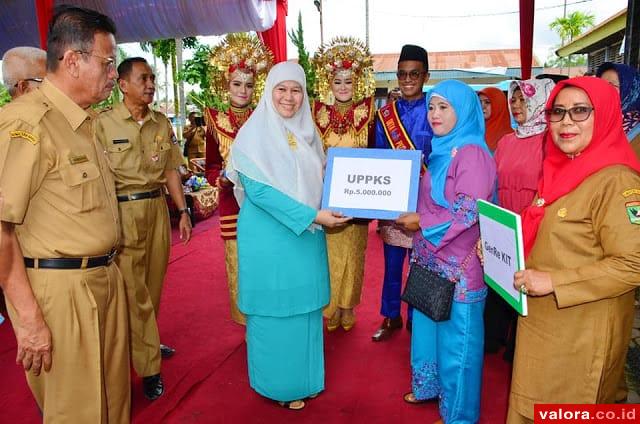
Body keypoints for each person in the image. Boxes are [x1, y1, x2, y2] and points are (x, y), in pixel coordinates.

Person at [0, 5, 130, 422]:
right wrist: (28, 319)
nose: (114, 74)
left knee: (112, 407)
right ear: (73, 61)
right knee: (78, 413)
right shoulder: (27, 123)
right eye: (108, 63)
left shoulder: (82, 121)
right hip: (61, 292)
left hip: (103, 279)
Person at [507, 77, 640, 423]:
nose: (566, 122)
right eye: (558, 112)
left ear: (607, 115)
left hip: (581, 335)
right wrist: (500, 243)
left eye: (581, 111)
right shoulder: (561, 169)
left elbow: (634, 263)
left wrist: (556, 282)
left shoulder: (617, 181)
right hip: (542, 325)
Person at [226, 61, 350, 410]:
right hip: (271, 238)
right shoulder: (252, 136)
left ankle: (307, 380)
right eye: (281, 89)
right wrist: (314, 216)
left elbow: (325, 181)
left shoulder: (309, 134)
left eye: (296, 89)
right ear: (269, 92)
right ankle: (279, 387)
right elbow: (260, 193)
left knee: (305, 309)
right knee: (275, 311)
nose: (289, 97)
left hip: (307, 235)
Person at [396, 80, 496, 423]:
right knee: (427, 328)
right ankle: (429, 387)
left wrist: (420, 222)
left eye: (444, 107)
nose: (434, 114)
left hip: (459, 266)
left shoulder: (473, 153)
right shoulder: (441, 149)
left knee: (459, 345)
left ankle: (458, 414)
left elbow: (469, 212)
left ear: (463, 110)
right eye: (432, 107)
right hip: (430, 259)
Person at [95, 57, 192, 400]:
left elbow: (169, 172)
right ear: (122, 85)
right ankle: (149, 367)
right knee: (134, 294)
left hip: (155, 208)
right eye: (143, 78)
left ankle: (143, 341)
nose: (151, 84)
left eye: (152, 78)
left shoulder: (160, 123)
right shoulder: (102, 124)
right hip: (123, 212)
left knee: (151, 286)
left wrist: (182, 211)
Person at [204, 33, 273, 325]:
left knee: (263, 262)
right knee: (238, 264)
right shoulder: (213, 120)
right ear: (225, 85)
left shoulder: (266, 118)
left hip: (264, 206)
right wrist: (219, 180)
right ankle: (246, 322)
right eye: (236, 84)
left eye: (248, 84)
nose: (242, 91)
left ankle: (267, 315)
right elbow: (210, 166)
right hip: (232, 206)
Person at [485, 78, 554, 359]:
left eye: (523, 100)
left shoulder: (551, 141)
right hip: (504, 225)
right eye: (513, 100)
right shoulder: (506, 141)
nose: (516, 106)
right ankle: (495, 338)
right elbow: (493, 183)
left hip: (534, 226)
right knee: (501, 284)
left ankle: (519, 349)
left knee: (526, 289)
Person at [311, 36, 376, 332]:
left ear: (357, 82)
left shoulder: (369, 112)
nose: (343, 88)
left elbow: (377, 154)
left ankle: (348, 306)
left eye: (348, 82)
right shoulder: (317, 113)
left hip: (359, 197)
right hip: (327, 197)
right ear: (329, 83)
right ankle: (330, 306)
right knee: (327, 256)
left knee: (354, 255)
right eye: (337, 82)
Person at [372, 44, 433, 341]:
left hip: (427, 200)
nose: (407, 79)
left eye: (414, 73)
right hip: (394, 201)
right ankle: (390, 315)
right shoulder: (385, 115)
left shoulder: (435, 109)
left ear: (425, 75)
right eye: (402, 73)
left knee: (421, 264)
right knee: (393, 263)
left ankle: (416, 317)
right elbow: (379, 156)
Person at [596, 62, 640, 155]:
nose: (603, 89)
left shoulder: (636, 130)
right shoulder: (591, 120)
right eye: (600, 84)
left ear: (630, 89)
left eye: (611, 85)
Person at [477, 86, 513, 152]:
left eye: (487, 102)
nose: (482, 106)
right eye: (479, 102)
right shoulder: (474, 131)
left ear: (498, 104)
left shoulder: (510, 138)